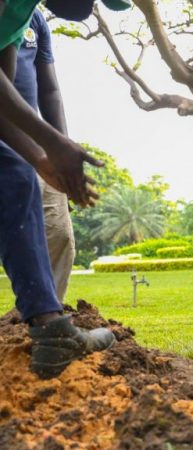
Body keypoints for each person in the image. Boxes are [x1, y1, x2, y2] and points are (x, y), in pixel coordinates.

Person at [0, 0, 131, 379]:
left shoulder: (22, 14)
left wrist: (41, 157)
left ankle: (52, 332)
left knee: (17, 174)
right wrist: (50, 142)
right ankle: (52, 330)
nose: (90, 7)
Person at [4, 8, 75, 301]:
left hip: (39, 151)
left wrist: (62, 149)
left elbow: (50, 90)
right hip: (10, 146)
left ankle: (45, 319)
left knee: (59, 236)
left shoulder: (34, 18)